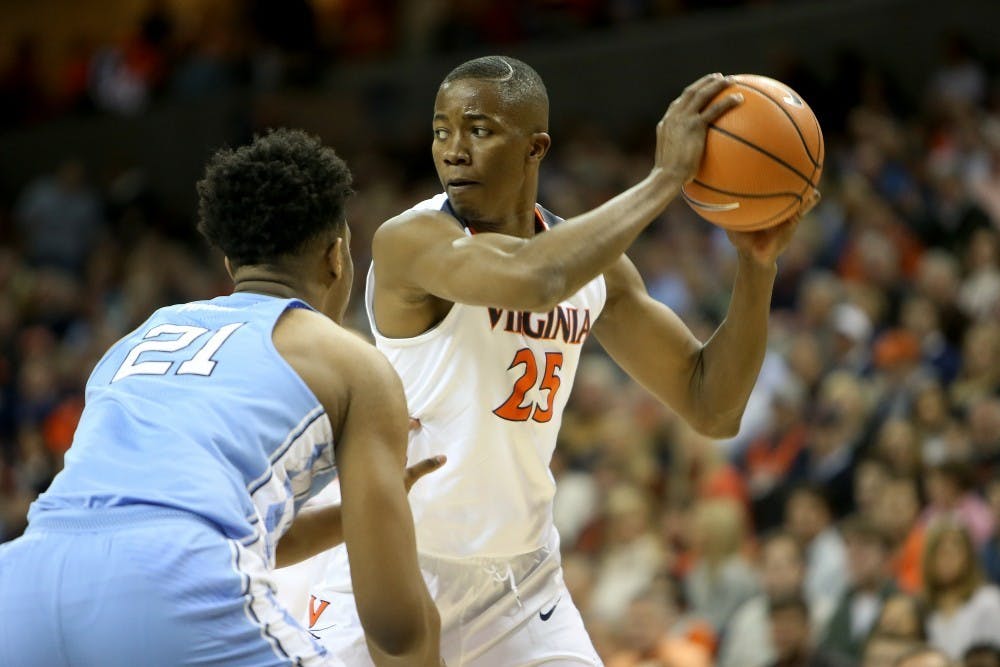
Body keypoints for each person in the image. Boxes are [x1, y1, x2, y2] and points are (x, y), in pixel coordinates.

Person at [307, 55, 817, 665]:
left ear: (535, 147)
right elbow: (535, 277)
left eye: (480, 129)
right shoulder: (409, 241)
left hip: (522, 586)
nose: (454, 150)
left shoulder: (592, 265)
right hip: (393, 564)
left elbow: (712, 405)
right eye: (442, 131)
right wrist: (663, 179)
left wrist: (756, 266)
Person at [0, 129, 443, 667]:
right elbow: (396, 629)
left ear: (231, 264)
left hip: (23, 583)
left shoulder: (135, 339)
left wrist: (354, 513)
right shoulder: (351, 360)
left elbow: (166, 522)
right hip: (174, 584)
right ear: (336, 257)